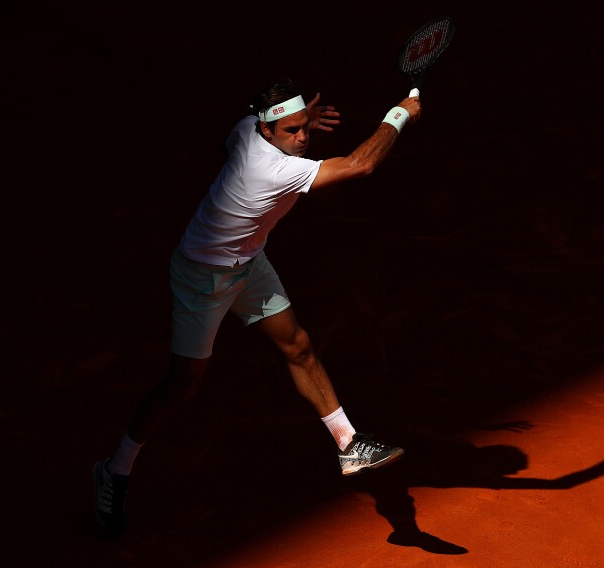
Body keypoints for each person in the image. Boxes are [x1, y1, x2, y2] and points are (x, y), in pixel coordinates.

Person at [92, 79, 423, 534]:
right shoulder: (275, 170)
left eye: (304, 128)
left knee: (299, 346)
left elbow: (243, 137)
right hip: (201, 279)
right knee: (183, 383)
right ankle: (116, 468)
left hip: (248, 263)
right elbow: (361, 165)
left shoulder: (246, 128)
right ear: (265, 133)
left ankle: (349, 443)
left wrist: (298, 119)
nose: (302, 138)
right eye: (291, 132)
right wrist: (400, 113)